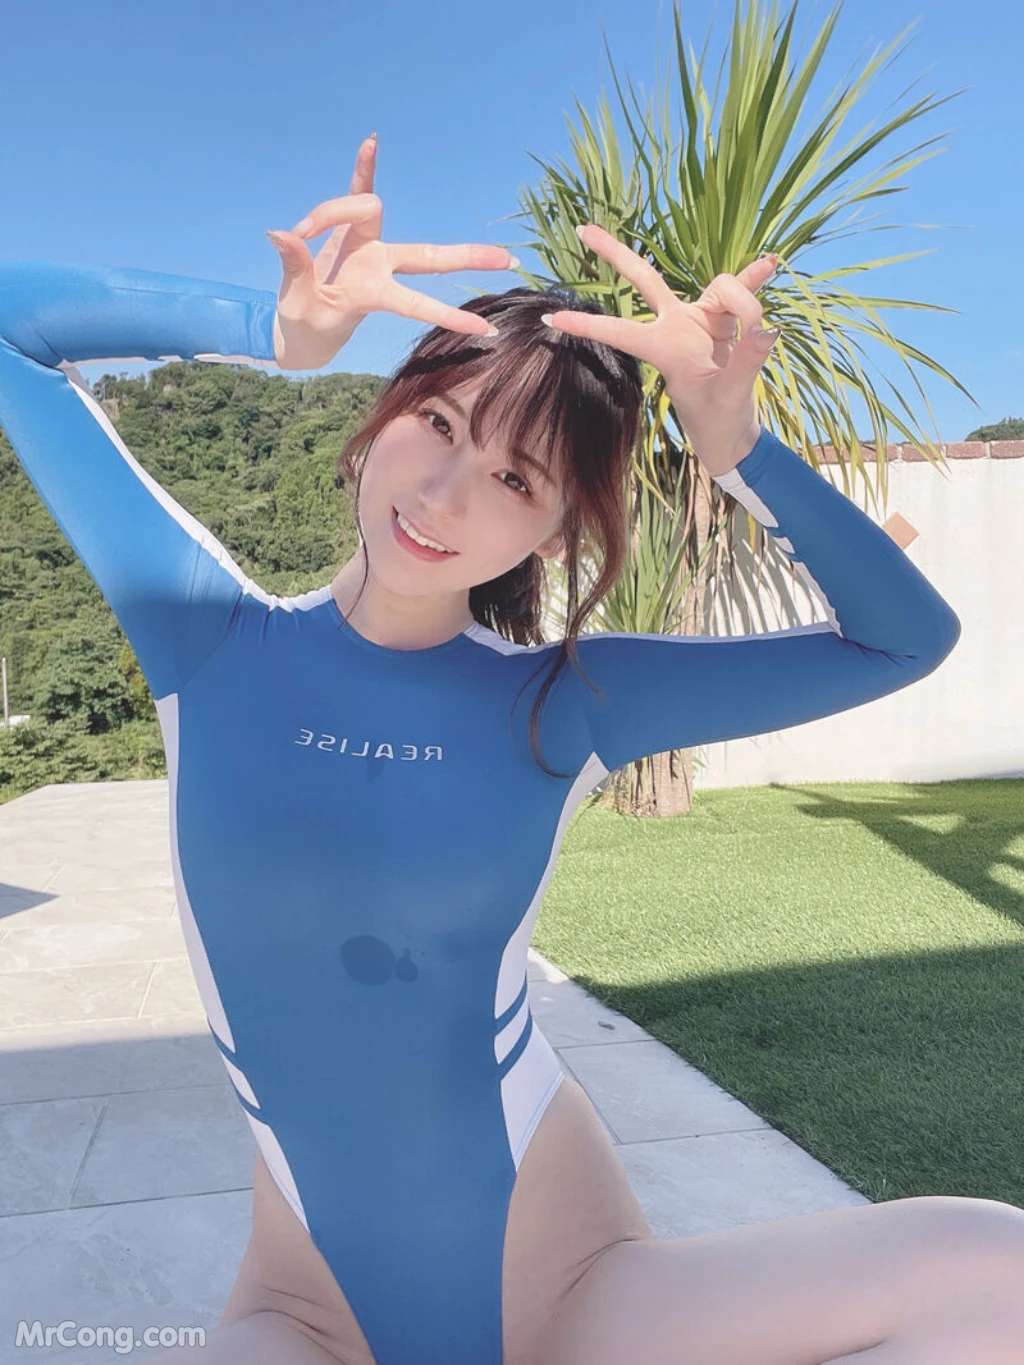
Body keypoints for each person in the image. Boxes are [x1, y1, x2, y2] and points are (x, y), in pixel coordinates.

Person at [2, 131, 1021, 1365]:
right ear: (380, 414)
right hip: (311, 1320)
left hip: (575, 1297)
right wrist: (273, 331)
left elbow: (900, 641)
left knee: (994, 1264)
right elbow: (13, 324)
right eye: (436, 422)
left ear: (556, 533)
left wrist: (734, 443)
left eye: (516, 479)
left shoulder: (567, 704)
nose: (444, 497)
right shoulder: (204, 640)